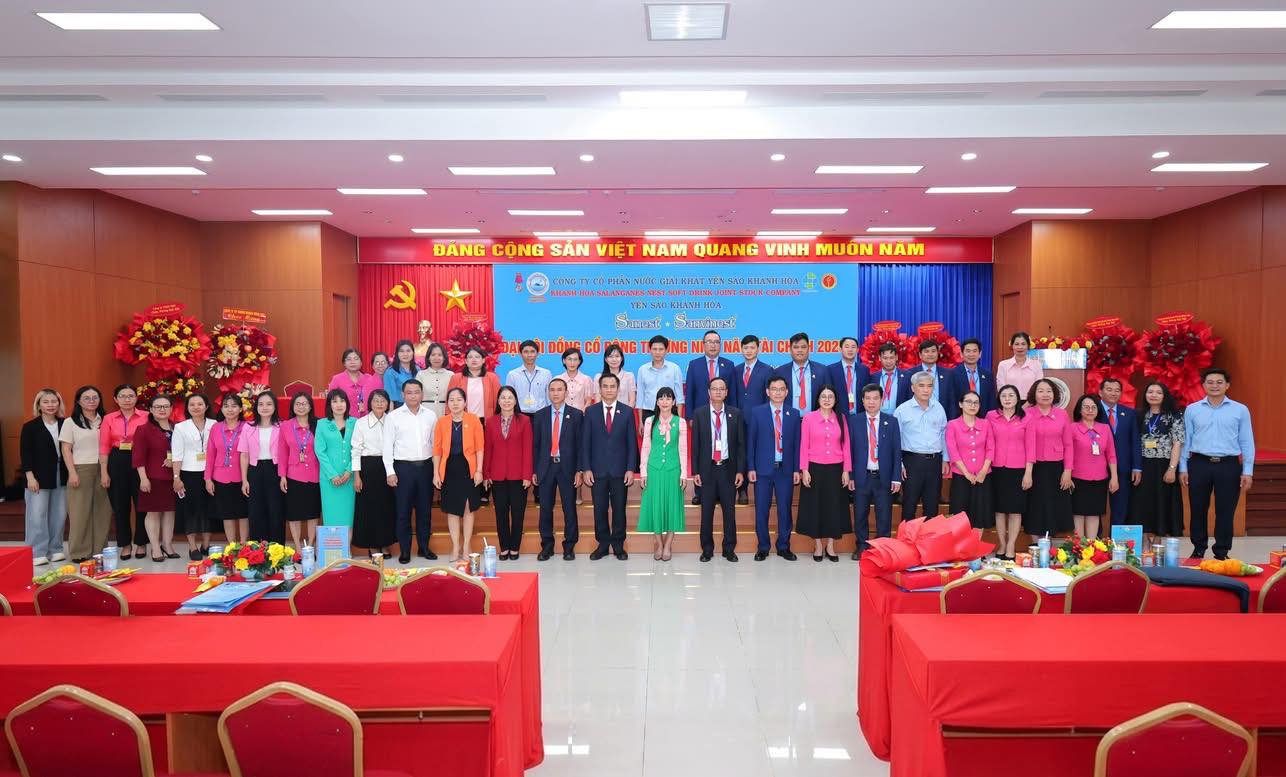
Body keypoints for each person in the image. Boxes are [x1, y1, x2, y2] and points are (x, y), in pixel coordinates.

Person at [1180, 368, 1255, 561]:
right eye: (1210, 382)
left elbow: (1247, 441)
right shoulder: (1192, 409)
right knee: (1198, 508)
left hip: (1228, 465)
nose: (1215, 386)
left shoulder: (1240, 410)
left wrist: (1247, 471)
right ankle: (1198, 548)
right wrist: (1183, 467)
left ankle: (1222, 551)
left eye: (1219, 382)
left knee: (1226, 510)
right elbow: (1186, 440)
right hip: (1199, 463)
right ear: (1203, 385)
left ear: (1227, 385)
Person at [581, 373, 638, 560]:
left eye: (612, 386)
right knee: (600, 509)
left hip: (620, 471)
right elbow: (585, 443)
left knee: (619, 509)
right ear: (600, 389)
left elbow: (631, 443)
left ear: (618, 389)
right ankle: (603, 545)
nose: (609, 390)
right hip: (597, 471)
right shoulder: (591, 412)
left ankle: (618, 545)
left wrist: (630, 468)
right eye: (605, 386)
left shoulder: (627, 411)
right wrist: (586, 468)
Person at [383, 379, 439, 564]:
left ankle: (424, 547)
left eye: (416, 392)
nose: (413, 396)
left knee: (425, 511)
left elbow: (435, 445)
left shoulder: (431, 415)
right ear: (403, 395)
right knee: (403, 511)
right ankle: (405, 550)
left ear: (422, 394)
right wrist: (390, 472)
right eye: (409, 392)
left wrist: (436, 470)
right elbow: (387, 446)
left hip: (425, 468)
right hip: (403, 468)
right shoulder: (393, 416)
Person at [747, 376, 802, 561]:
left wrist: (796, 469)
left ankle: (783, 546)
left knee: (784, 510)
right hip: (762, 470)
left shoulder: (794, 414)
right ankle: (763, 547)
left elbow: (797, 444)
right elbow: (751, 442)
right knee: (762, 510)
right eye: (774, 389)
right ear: (767, 392)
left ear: (787, 392)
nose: (778, 392)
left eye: (781, 389)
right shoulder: (757, 412)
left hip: (785, 471)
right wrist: (751, 467)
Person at [796, 385, 852, 562]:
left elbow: (846, 446)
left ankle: (831, 545)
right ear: (818, 399)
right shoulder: (809, 418)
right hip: (814, 468)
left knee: (834, 507)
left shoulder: (841, 418)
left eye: (830, 396)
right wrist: (804, 469)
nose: (827, 400)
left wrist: (846, 471)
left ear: (835, 400)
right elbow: (804, 445)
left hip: (836, 469)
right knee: (816, 507)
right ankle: (818, 545)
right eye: (823, 396)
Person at [692, 377, 744, 562]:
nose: (718, 391)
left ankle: (729, 549)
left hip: (727, 469)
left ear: (727, 392)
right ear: (709, 392)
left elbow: (740, 445)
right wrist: (696, 471)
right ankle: (707, 549)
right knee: (706, 513)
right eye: (715, 388)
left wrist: (740, 471)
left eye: (722, 389)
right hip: (707, 470)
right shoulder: (700, 414)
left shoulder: (735, 414)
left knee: (729, 513)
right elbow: (695, 445)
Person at [848, 384, 902, 559]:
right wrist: (850, 475)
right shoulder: (854, 421)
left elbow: (896, 451)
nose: (871, 402)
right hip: (861, 476)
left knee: (884, 515)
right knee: (860, 514)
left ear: (881, 400)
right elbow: (849, 451)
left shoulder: (891, 422)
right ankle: (862, 546)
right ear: (862, 400)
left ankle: (882, 548)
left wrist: (896, 478)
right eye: (868, 398)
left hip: (883, 477)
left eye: (875, 398)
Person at [59, 386, 111, 563]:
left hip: (104, 468)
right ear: (78, 401)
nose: (91, 401)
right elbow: (66, 449)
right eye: (86, 398)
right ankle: (79, 552)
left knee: (102, 511)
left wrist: (105, 471)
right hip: (81, 468)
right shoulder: (70, 422)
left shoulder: (105, 419)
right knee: (79, 512)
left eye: (95, 397)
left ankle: (99, 550)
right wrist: (72, 472)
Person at [533, 379, 583, 560]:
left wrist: (579, 470)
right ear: (548, 392)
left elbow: (581, 445)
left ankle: (569, 547)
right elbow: (536, 445)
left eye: (559, 390)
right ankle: (547, 546)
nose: (555, 393)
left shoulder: (576, 415)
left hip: (567, 467)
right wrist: (534, 470)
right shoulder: (540, 415)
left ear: (566, 392)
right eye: (552, 390)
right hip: (546, 468)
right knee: (545, 509)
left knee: (569, 509)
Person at [638, 387, 689, 561]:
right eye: (661, 398)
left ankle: (668, 545)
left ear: (674, 402)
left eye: (668, 398)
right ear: (657, 402)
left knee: (673, 507)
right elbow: (645, 447)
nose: (665, 402)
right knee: (656, 507)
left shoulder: (680, 422)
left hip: (673, 470)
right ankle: (659, 544)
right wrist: (643, 472)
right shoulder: (649, 421)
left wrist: (683, 474)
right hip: (654, 470)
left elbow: (683, 449)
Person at [434, 387, 484, 562]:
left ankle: (467, 545)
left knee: (468, 507)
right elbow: (437, 450)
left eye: (459, 400)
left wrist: (479, 470)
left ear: (465, 402)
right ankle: (455, 546)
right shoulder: (442, 422)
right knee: (452, 509)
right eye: (451, 400)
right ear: (447, 403)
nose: (455, 403)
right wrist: (436, 473)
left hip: (468, 468)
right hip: (449, 468)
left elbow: (480, 448)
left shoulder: (474, 419)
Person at [99, 384, 148, 561]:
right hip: (117, 460)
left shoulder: (146, 416)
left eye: (130, 396)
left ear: (136, 398)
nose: (127, 399)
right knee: (120, 506)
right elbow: (104, 446)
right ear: (115, 399)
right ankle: (125, 544)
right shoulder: (108, 418)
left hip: (141, 461)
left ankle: (141, 542)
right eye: (122, 396)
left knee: (142, 504)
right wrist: (104, 472)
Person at [1132, 381, 1185, 542]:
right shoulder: (1139, 415)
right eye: (1150, 392)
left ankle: (1158, 542)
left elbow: (1177, 443)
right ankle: (1145, 543)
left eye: (1158, 392)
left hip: (1164, 465)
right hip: (1143, 466)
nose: (1153, 395)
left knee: (1162, 503)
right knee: (1143, 504)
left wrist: (1172, 468)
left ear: (1164, 396)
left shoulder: (1174, 416)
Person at [1022, 378, 1074, 539]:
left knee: (1053, 507)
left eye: (1049, 391)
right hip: (1033, 467)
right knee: (1035, 507)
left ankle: (1048, 545)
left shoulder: (1062, 414)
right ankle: (1035, 546)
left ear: (1055, 394)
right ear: (1034, 394)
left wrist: (1067, 471)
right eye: (1041, 391)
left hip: (1056, 468)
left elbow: (1069, 445)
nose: (1045, 394)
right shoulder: (1027, 413)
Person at [21, 389, 68, 566]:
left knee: (59, 514)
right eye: (46, 402)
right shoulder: (30, 427)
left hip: (62, 473)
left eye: (54, 401)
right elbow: (25, 454)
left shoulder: (65, 423)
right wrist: (30, 477)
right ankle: (37, 552)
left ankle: (55, 549)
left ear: (59, 404)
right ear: (39, 405)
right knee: (37, 514)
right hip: (38, 475)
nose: (50, 405)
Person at [484, 386, 532, 560]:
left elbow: (528, 449)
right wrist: (486, 474)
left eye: (510, 397)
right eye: (503, 397)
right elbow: (488, 449)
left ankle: (515, 548)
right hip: (497, 476)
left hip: (518, 476)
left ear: (515, 400)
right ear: (498, 401)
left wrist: (527, 475)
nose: (506, 401)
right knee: (501, 514)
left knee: (518, 514)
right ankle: (504, 547)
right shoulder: (491, 421)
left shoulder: (524, 421)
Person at [894, 372, 950, 520]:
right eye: (921, 386)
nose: (926, 390)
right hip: (912, 462)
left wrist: (945, 459)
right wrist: (899, 464)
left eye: (929, 386)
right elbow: (895, 441)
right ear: (913, 388)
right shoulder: (902, 410)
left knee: (932, 505)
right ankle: (907, 535)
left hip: (935, 461)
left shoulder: (938, 408)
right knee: (909, 504)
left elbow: (944, 434)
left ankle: (929, 535)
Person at [351, 389, 396, 557]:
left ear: (388, 403)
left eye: (383, 400)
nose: (379, 403)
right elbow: (355, 450)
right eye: (376, 400)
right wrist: (357, 475)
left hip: (388, 467)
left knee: (387, 507)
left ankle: (385, 543)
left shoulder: (392, 421)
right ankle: (373, 545)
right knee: (369, 508)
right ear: (370, 403)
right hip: (368, 467)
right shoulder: (361, 423)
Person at [133, 395, 178, 562]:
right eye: (158, 406)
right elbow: (138, 457)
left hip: (174, 478)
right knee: (153, 513)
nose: (162, 409)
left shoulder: (177, 428)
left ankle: (167, 545)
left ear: (171, 409)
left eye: (166, 406)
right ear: (151, 410)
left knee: (170, 512)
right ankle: (155, 548)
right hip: (152, 477)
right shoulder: (143, 429)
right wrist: (143, 479)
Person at [238, 391, 285, 543]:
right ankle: (257, 550)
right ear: (256, 407)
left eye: (269, 404)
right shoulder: (248, 427)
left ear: (275, 407)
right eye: (261, 404)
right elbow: (244, 455)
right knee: (255, 511)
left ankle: (277, 549)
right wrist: (244, 480)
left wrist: (283, 476)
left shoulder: (282, 426)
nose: (265, 407)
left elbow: (285, 454)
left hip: (275, 469)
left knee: (276, 510)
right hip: (255, 470)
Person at [171, 393, 214, 559]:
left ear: (206, 406)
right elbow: (177, 454)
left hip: (211, 473)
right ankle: (192, 546)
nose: (196, 407)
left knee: (209, 509)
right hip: (188, 473)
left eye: (200, 404)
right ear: (187, 408)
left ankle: (206, 544)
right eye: (192, 404)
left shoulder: (215, 424)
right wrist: (176, 477)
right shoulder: (181, 427)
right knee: (190, 510)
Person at [1069, 394, 1118, 540]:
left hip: (1100, 479)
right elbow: (1068, 453)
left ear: (1098, 410)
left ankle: (1090, 546)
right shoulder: (1072, 428)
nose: (1090, 410)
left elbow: (1111, 455)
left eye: (1093, 407)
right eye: (1086, 407)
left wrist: (1114, 477)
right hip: (1077, 478)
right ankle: (1079, 547)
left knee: (1094, 513)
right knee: (1078, 513)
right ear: (1079, 410)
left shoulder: (1105, 428)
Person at [987, 385, 1028, 559]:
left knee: (1015, 510)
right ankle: (1002, 545)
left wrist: (1029, 472)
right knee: (999, 510)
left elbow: (1031, 447)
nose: (1007, 399)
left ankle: (1011, 545)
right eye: (1004, 395)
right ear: (999, 399)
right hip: (996, 468)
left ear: (1017, 398)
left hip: (1018, 469)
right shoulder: (991, 416)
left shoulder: (1026, 417)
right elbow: (988, 442)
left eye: (1011, 395)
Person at [733, 334, 775, 505]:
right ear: (741, 350)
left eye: (752, 347)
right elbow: (733, 396)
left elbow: (769, 397)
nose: (749, 350)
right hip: (738, 420)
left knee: (757, 452)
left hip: (759, 420)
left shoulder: (767, 370)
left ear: (758, 349)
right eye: (746, 348)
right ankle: (742, 490)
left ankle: (760, 488)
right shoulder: (735, 370)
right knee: (740, 453)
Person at [277, 391, 321, 549]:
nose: (301, 407)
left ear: (310, 406)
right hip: (293, 476)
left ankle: (310, 547)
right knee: (294, 514)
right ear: (292, 407)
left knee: (312, 514)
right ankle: (297, 548)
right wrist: (282, 476)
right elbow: (282, 453)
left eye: (304, 404)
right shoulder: (285, 426)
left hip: (315, 475)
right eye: (297, 404)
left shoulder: (319, 425)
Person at [946, 390, 994, 531]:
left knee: (980, 516)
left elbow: (991, 448)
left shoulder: (985, 424)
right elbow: (953, 451)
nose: (972, 405)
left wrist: (983, 471)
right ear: (960, 404)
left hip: (982, 477)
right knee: (959, 516)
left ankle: (976, 546)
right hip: (961, 476)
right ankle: (961, 546)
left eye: (976, 403)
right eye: (968, 402)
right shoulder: (953, 425)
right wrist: (966, 473)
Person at [1097, 378, 1141, 529]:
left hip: (1123, 467)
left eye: (1117, 390)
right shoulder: (1093, 410)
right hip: (1097, 467)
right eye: (1109, 389)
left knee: (1120, 507)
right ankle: (1096, 539)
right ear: (1100, 392)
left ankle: (1116, 540)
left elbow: (1135, 441)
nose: (1113, 393)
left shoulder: (1129, 413)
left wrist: (1137, 467)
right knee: (1096, 506)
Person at [206, 394, 249, 547]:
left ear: (241, 409)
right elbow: (210, 454)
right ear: (222, 409)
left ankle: (244, 545)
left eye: (234, 406)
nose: (230, 409)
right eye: (226, 406)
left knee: (243, 513)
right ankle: (232, 546)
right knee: (227, 514)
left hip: (242, 477)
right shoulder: (216, 428)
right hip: (220, 477)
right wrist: (208, 478)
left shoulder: (247, 427)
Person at [315, 389, 356, 538]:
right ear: (329, 405)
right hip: (329, 479)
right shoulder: (322, 424)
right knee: (331, 515)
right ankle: (333, 549)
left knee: (348, 516)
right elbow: (320, 451)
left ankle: (347, 549)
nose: (339, 405)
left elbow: (358, 448)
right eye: (334, 401)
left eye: (342, 401)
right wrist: (332, 475)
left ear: (347, 403)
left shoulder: (355, 422)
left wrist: (349, 470)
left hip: (349, 477)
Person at [636, 335, 684, 424]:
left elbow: (679, 398)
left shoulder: (674, 368)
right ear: (649, 350)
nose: (657, 352)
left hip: (670, 412)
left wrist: (679, 421)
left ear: (666, 350)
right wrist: (640, 422)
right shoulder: (642, 370)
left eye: (661, 349)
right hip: (649, 413)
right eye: (654, 349)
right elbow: (640, 397)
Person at [897, 340, 953, 416]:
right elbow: (905, 397)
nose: (930, 354)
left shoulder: (948, 374)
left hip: (941, 416)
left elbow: (952, 400)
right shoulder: (909, 374)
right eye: (926, 351)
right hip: (915, 416)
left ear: (938, 353)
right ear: (920, 355)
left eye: (933, 351)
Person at [777, 332, 827, 415]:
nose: (800, 350)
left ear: (809, 349)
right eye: (796, 347)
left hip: (815, 419)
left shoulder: (822, 370)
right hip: (788, 418)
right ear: (790, 350)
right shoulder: (780, 372)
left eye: (803, 347)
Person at [448, 347, 501, 420]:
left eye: (477, 357)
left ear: (483, 360)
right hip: (462, 420)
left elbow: (498, 401)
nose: (474, 359)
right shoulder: (456, 378)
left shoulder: (492, 378)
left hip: (486, 420)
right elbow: (449, 400)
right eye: (470, 357)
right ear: (466, 361)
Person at [948, 338, 996, 418]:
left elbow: (991, 401)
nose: (971, 354)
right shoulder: (952, 374)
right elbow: (951, 401)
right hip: (961, 419)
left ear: (980, 354)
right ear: (961, 354)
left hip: (983, 419)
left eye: (974, 351)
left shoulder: (988, 375)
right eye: (968, 351)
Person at [506, 340, 553, 418]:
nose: (529, 355)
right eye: (526, 352)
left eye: (532, 351)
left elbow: (549, 397)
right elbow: (509, 397)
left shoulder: (546, 374)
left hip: (541, 415)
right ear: (520, 354)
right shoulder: (512, 375)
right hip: (520, 415)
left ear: (537, 354)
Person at [328, 348, 381, 418]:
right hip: (345, 420)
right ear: (344, 363)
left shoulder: (369, 378)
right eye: (349, 359)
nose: (352, 362)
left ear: (361, 363)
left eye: (356, 359)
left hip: (367, 419)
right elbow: (330, 401)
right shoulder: (337, 379)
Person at [827, 336, 870, 418]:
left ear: (857, 350)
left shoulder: (864, 370)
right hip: (837, 416)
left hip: (860, 415)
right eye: (847, 347)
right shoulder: (830, 370)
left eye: (853, 347)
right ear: (840, 349)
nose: (850, 350)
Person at [996, 332, 1042, 401]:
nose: (1020, 347)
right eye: (1017, 344)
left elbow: (1039, 387)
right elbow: (1001, 387)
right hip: (1009, 402)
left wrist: (1029, 403)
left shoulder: (1036, 365)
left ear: (1028, 346)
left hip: (1031, 403)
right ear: (1012, 346)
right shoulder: (1003, 365)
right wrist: (1011, 402)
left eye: (1023, 344)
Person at [415, 343, 453, 419]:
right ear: (428, 358)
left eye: (439, 355)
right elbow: (416, 395)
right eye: (433, 355)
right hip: (425, 412)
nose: (436, 358)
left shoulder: (451, 375)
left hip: (446, 412)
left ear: (444, 358)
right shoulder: (421, 374)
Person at [593, 342, 637, 408]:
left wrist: (627, 413)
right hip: (605, 413)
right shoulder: (599, 377)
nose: (614, 359)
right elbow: (597, 400)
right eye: (610, 356)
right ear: (606, 359)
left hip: (624, 412)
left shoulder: (629, 376)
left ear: (621, 358)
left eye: (617, 356)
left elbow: (632, 401)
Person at [556, 346, 596, 412]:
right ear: (564, 361)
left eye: (575, 359)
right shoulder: (558, 379)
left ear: (579, 361)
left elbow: (588, 401)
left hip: (581, 415)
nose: (572, 363)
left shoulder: (586, 379)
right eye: (569, 359)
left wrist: (580, 414)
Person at [384, 339, 420, 407]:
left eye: (408, 351)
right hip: (399, 406)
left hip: (416, 406)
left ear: (413, 353)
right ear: (397, 354)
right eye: (401, 351)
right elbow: (390, 399)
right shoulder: (390, 372)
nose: (405, 354)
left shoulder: (418, 370)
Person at [872, 342, 903, 414]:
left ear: (896, 357)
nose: (888, 361)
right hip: (878, 417)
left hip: (899, 417)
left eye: (891, 358)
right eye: (885, 358)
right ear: (880, 358)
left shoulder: (906, 376)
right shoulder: (873, 377)